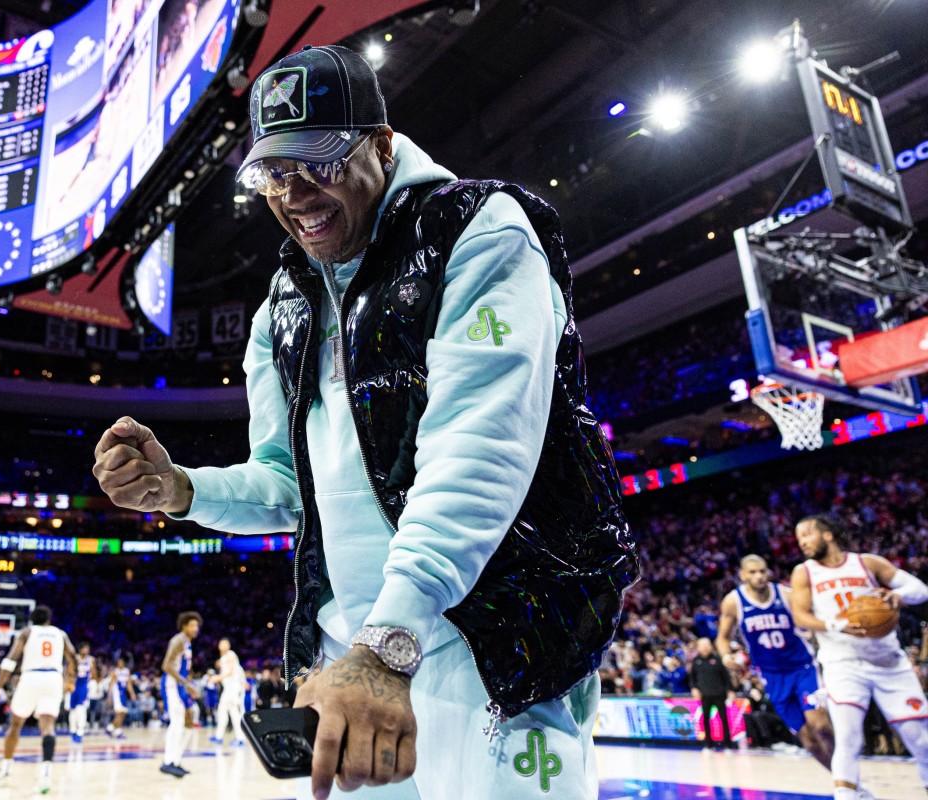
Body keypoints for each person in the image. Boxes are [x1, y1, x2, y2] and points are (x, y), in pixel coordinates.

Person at [92, 44, 636, 800]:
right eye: (273, 173)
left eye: (318, 161)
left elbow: (479, 450)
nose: (295, 193)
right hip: (350, 663)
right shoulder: (282, 308)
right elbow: (289, 485)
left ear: (381, 144)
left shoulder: (479, 231)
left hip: (492, 647)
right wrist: (182, 490)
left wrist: (389, 644)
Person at [790, 515, 928, 800]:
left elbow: (920, 590)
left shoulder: (867, 563)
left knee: (921, 739)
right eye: (799, 537)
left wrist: (897, 595)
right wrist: (835, 625)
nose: (802, 542)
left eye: (807, 534)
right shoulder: (804, 573)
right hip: (843, 664)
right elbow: (800, 616)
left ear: (828, 535)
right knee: (848, 738)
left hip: (888, 661)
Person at [717, 554, 834, 768]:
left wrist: (812, 633)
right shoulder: (734, 602)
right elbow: (723, 638)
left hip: (802, 668)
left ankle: (846, 775)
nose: (759, 576)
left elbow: (808, 618)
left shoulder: (785, 595)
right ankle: (838, 775)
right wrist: (726, 656)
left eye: (763, 571)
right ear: (743, 576)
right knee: (808, 739)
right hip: (772, 676)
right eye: (753, 572)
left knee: (820, 724)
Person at [0, 606, 78, 794]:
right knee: (48, 727)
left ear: (32, 619)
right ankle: (46, 775)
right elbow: (73, 657)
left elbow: (11, 659)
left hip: (31, 677)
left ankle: (6, 768)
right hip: (53, 679)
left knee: (15, 724)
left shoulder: (27, 632)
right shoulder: (60, 634)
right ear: (49, 619)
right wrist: (71, 679)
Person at [158, 611, 201, 778]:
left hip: (180, 686)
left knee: (188, 723)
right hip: (172, 685)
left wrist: (188, 684)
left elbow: (182, 668)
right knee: (176, 723)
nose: (195, 628)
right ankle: (167, 762)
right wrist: (187, 684)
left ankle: (175, 760)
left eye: (197, 625)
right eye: (192, 625)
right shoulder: (178, 640)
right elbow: (166, 666)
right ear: (184, 626)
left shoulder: (188, 643)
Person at [689, 638, 735, 750]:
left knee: (724, 719)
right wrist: (694, 688)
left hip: (719, 694)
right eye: (702, 645)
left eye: (707, 645)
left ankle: (728, 744)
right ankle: (708, 744)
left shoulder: (717, 659)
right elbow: (692, 678)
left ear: (710, 646)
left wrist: (730, 690)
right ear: (698, 647)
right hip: (705, 696)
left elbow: (726, 677)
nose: (705, 647)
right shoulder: (696, 661)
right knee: (705, 719)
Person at [208, 637, 247, 746]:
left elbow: (231, 671)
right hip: (228, 689)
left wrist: (217, 678)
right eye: (221, 644)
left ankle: (240, 738)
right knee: (222, 711)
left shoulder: (230, 654)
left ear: (228, 645)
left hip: (233, 689)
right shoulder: (224, 657)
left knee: (234, 713)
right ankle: (218, 736)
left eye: (225, 644)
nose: (222, 646)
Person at [65, 641, 96, 743]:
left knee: (81, 709)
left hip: (84, 687)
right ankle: (73, 730)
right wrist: (67, 683)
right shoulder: (74, 658)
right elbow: (68, 672)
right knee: (72, 710)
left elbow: (94, 674)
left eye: (87, 649)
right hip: (73, 686)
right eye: (84, 648)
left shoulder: (91, 660)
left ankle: (80, 731)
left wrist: (93, 684)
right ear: (80, 649)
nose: (86, 650)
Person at [105, 655, 137, 739]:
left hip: (123, 694)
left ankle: (111, 728)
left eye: (121, 662)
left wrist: (132, 694)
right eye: (119, 662)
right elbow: (111, 684)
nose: (120, 663)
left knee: (123, 713)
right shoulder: (115, 672)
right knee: (120, 712)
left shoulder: (127, 671)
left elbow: (128, 684)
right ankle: (117, 731)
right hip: (116, 694)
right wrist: (109, 696)